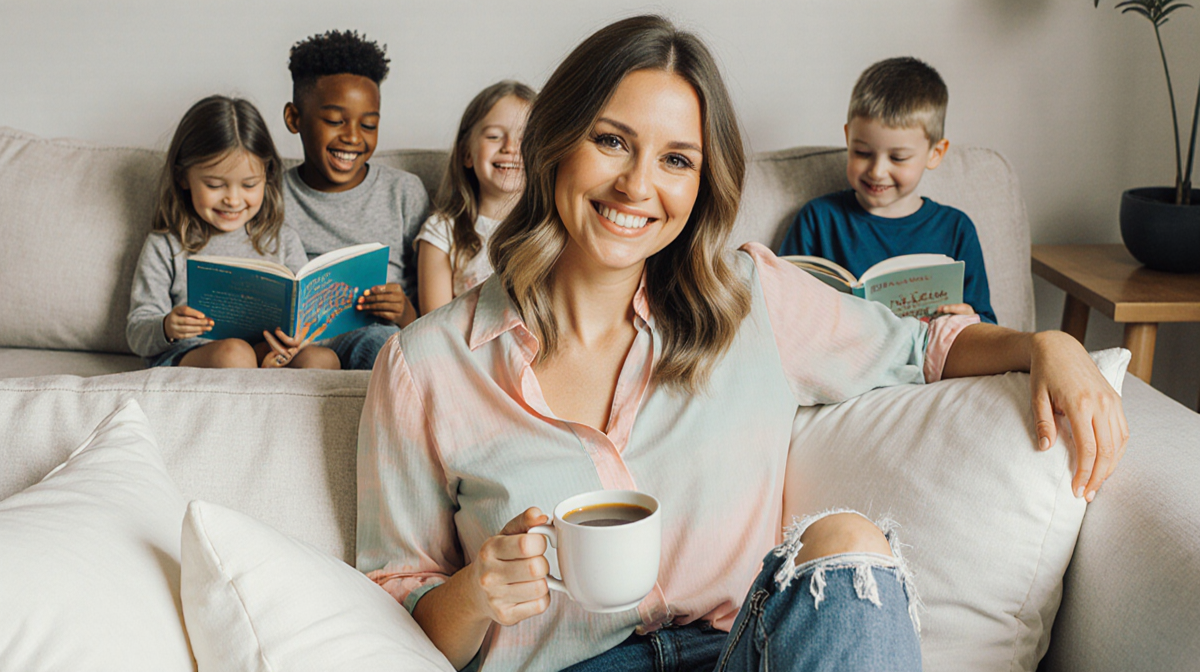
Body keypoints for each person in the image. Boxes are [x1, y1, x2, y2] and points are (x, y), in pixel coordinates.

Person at [356, 16, 1127, 672]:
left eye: (676, 160)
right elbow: (395, 614)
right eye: (612, 141)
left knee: (846, 540)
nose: (637, 186)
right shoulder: (425, 366)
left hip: (742, 651)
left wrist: (1045, 345)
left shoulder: (748, 299)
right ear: (555, 141)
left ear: (701, 184)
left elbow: (922, 348)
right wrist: (476, 590)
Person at [777, 57, 997, 324]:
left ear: (935, 154)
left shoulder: (956, 228)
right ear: (848, 139)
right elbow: (779, 301)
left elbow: (987, 324)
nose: (877, 171)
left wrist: (969, 318)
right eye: (862, 153)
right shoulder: (819, 219)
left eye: (898, 158)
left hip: (933, 356)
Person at [126, 95, 338, 370]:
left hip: (269, 356)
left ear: (267, 176)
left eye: (249, 185)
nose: (233, 200)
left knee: (322, 359)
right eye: (215, 185)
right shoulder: (166, 244)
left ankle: (266, 378)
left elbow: (307, 318)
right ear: (183, 177)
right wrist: (167, 326)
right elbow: (137, 333)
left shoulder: (281, 239)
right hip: (196, 355)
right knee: (235, 354)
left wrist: (295, 341)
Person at [282, 29, 431, 369]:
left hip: (377, 336)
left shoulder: (403, 192)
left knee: (382, 343)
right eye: (335, 121)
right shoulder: (264, 194)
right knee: (308, 362)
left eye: (368, 125)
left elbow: (435, 311)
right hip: (300, 345)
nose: (352, 137)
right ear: (294, 118)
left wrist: (406, 311)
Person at [416, 81, 535, 314]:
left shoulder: (551, 227)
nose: (510, 147)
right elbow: (431, 327)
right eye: (493, 136)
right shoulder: (442, 232)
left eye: (525, 137)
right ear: (467, 154)